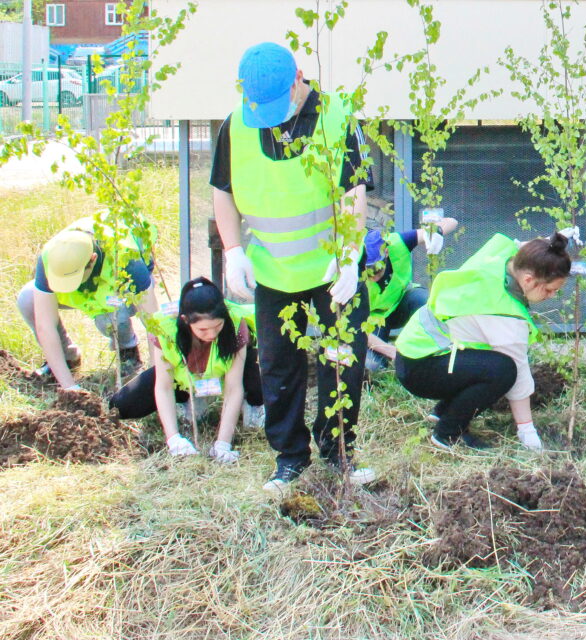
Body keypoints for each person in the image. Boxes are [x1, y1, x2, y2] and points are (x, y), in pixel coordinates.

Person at [211, 42, 374, 491]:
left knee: (341, 360)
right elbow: (222, 189)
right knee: (279, 368)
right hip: (274, 272)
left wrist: (348, 256)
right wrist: (232, 250)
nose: (269, 115)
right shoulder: (237, 125)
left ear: (299, 78)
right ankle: (289, 457)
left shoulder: (336, 118)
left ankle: (340, 453)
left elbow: (352, 191)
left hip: (330, 272)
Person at [394, 232, 571, 452]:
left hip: (414, 350)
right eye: (549, 289)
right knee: (503, 371)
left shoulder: (499, 259)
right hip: (421, 368)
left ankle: (442, 412)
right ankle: (447, 434)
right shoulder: (505, 315)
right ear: (527, 280)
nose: (552, 295)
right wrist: (527, 431)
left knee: (487, 362)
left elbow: (516, 245)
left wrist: (549, 244)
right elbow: (519, 375)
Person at [109, 277, 264, 462]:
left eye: (218, 326)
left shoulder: (235, 324)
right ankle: (186, 400)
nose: (212, 334)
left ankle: (252, 406)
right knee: (121, 405)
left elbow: (233, 387)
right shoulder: (166, 329)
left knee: (256, 378)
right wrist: (173, 439)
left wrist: (223, 444)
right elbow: (163, 386)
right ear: (185, 321)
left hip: (223, 377)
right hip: (185, 381)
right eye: (203, 329)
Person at [17, 215, 158, 390]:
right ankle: (67, 358)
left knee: (110, 316)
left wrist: (155, 378)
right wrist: (69, 387)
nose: (66, 288)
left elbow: (154, 323)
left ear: (92, 259)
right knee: (27, 298)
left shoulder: (125, 258)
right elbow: (45, 326)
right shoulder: (51, 256)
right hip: (86, 289)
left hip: (118, 288)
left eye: (72, 279)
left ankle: (127, 351)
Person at [363, 213, 458, 371]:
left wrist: (436, 233)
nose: (373, 275)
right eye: (368, 270)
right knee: (372, 366)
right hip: (373, 320)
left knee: (425, 301)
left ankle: (439, 352)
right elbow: (356, 327)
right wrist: (392, 351)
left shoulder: (398, 242)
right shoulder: (351, 268)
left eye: (377, 268)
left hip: (403, 301)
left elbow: (452, 221)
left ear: (386, 252)